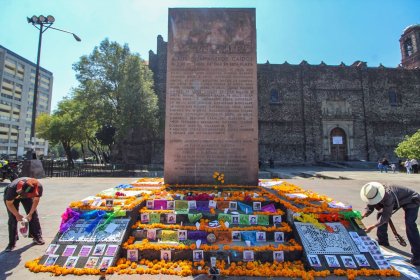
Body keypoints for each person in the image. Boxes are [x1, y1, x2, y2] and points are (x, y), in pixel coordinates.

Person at [360, 182, 420, 265]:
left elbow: (386, 216)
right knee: (380, 214)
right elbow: (370, 205)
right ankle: (383, 240)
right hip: (398, 199)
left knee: (410, 224)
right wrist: (363, 215)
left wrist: (372, 226)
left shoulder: (388, 196)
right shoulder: (373, 193)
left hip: (411, 199)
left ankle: (418, 256)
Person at [3, 177, 45, 252]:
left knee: (33, 215)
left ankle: (37, 237)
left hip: (28, 193)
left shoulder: (38, 187)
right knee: (12, 218)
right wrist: (17, 215)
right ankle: (12, 243)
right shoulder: (11, 189)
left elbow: (36, 200)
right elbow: (9, 203)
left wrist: (30, 214)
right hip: (14, 196)